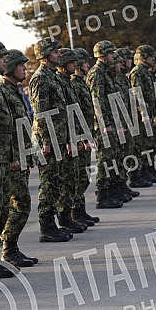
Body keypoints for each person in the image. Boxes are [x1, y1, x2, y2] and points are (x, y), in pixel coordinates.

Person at [28, 37, 72, 242]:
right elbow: (41, 112)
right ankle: (46, 227)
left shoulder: (52, 76)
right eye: (56, 51)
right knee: (48, 182)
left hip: (59, 137)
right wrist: (45, 141)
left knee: (58, 181)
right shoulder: (40, 78)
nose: (59, 54)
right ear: (45, 55)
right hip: (49, 139)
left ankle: (54, 223)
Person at [0, 49, 38, 266]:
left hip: (21, 156)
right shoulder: (4, 91)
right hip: (12, 159)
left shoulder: (15, 90)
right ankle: (8, 249)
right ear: (10, 67)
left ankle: (11, 248)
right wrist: (14, 156)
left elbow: (23, 126)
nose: (25, 68)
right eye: (21, 65)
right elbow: (6, 129)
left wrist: (28, 154)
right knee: (19, 205)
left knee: (20, 205)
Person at [86, 40, 124, 209]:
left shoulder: (106, 72)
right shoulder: (97, 73)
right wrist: (104, 123)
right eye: (110, 53)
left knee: (113, 157)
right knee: (105, 159)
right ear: (102, 55)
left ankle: (112, 190)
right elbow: (97, 100)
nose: (113, 56)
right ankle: (102, 195)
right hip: (104, 125)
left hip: (112, 121)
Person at [55, 48, 89, 232]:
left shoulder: (69, 82)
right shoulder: (63, 82)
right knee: (67, 181)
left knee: (77, 177)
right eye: (73, 62)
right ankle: (65, 218)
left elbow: (78, 113)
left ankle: (76, 213)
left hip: (74, 135)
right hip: (62, 139)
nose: (77, 65)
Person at [70, 48, 101, 225]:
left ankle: (80, 211)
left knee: (84, 176)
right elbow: (75, 115)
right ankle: (75, 214)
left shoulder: (81, 82)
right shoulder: (74, 83)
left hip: (86, 132)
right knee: (78, 177)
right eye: (85, 62)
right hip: (79, 136)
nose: (88, 65)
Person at [129, 45, 156, 186]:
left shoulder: (146, 72)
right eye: (151, 56)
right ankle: (138, 175)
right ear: (144, 57)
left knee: (148, 144)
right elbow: (137, 94)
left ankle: (146, 171)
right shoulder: (137, 72)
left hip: (148, 113)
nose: (153, 59)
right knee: (140, 146)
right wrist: (144, 114)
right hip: (141, 117)